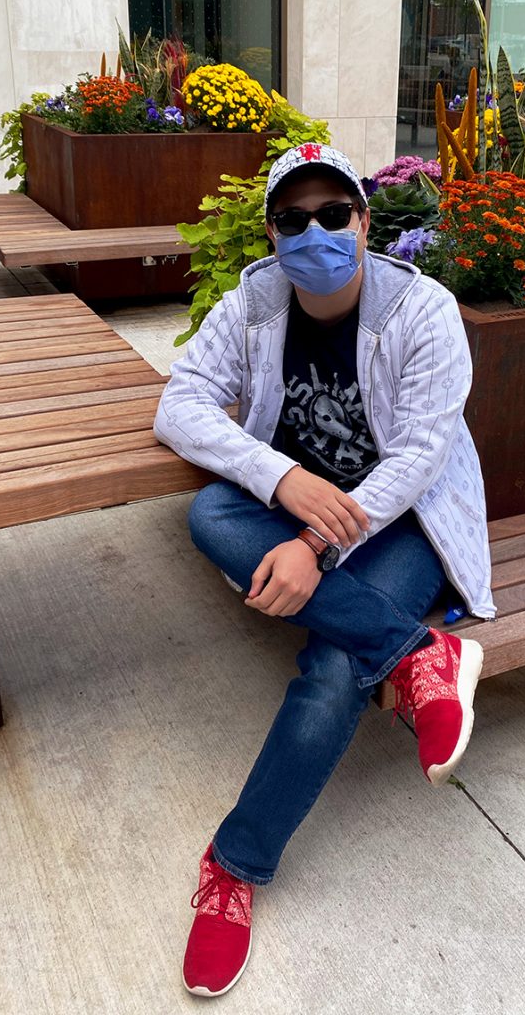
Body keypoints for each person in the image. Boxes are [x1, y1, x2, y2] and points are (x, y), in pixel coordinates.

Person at [153, 143, 496, 997]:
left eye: (333, 214)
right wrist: (285, 482)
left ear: (364, 220)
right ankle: (419, 655)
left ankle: (233, 866)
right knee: (209, 512)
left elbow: (420, 455)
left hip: (398, 519)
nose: (315, 232)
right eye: (293, 219)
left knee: (337, 666)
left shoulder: (423, 310)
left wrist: (313, 551)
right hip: (298, 504)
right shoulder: (256, 300)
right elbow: (179, 403)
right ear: (271, 234)